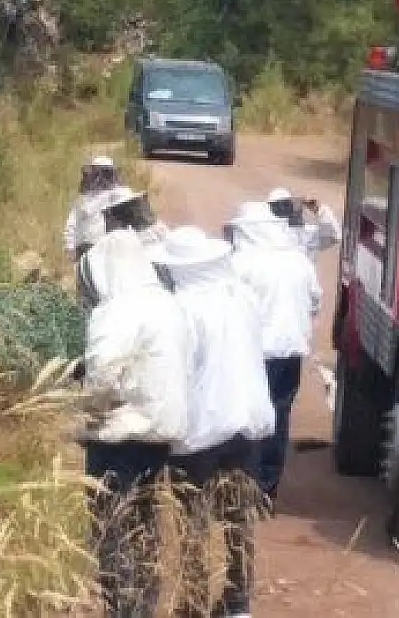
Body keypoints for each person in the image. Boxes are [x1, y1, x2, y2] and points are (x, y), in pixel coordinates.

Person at [153, 226, 273, 618]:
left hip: (201, 431)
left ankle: (192, 605)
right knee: (239, 518)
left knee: (194, 523)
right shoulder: (242, 298)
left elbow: (176, 373)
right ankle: (238, 602)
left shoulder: (181, 309)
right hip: (247, 422)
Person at [79, 227, 192, 618]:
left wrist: (81, 411)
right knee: (146, 522)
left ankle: (122, 606)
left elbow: (101, 376)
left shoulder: (115, 311)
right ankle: (145, 602)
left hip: (120, 435)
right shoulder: (169, 303)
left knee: (111, 526)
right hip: (162, 433)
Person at [226, 201, 322, 505]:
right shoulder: (299, 261)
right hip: (290, 352)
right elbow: (315, 301)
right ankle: (267, 489)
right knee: (279, 416)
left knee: (248, 417)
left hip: (254, 353)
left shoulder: (241, 263)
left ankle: (244, 484)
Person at [64, 155, 121, 263]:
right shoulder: (84, 199)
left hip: (113, 248)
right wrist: (70, 247)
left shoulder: (121, 194)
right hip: (88, 248)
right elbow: (72, 223)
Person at [267, 187, 341, 259]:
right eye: (277, 206)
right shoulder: (265, 234)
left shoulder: (307, 233)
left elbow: (333, 236)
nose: (282, 208)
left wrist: (319, 210)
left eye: (286, 204)